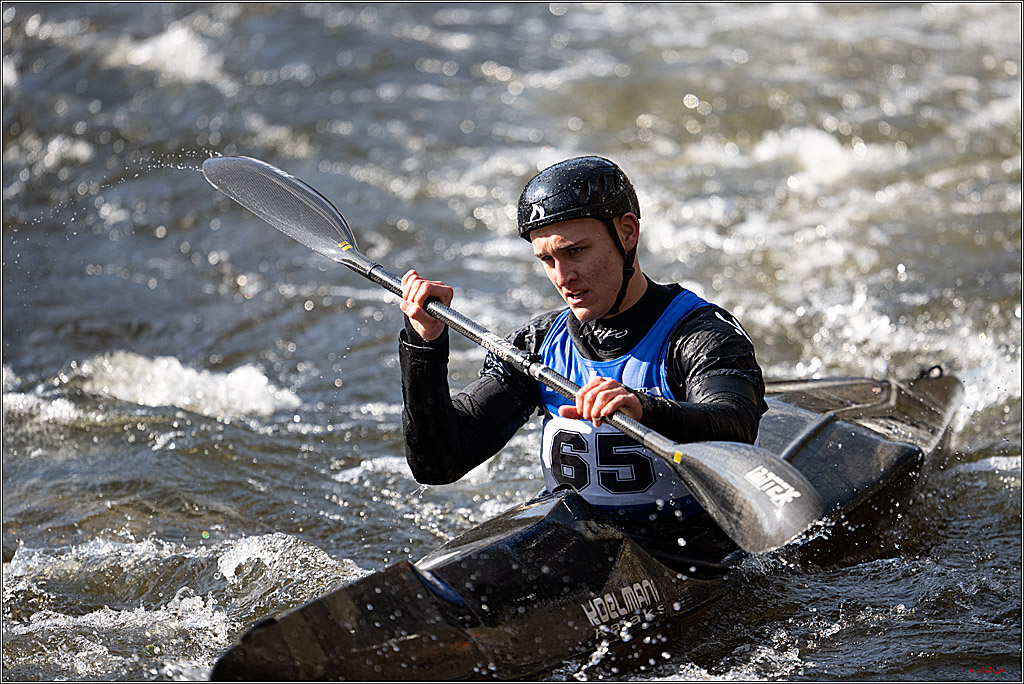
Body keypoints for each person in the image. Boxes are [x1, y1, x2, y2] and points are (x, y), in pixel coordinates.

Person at [398, 156, 768, 565]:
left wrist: (643, 408)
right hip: (578, 547)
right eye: (547, 260)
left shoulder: (701, 334)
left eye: (575, 252)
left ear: (626, 233)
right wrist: (426, 345)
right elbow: (439, 463)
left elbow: (735, 427)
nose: (562, 276)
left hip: (685, 553)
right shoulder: (538, 344)